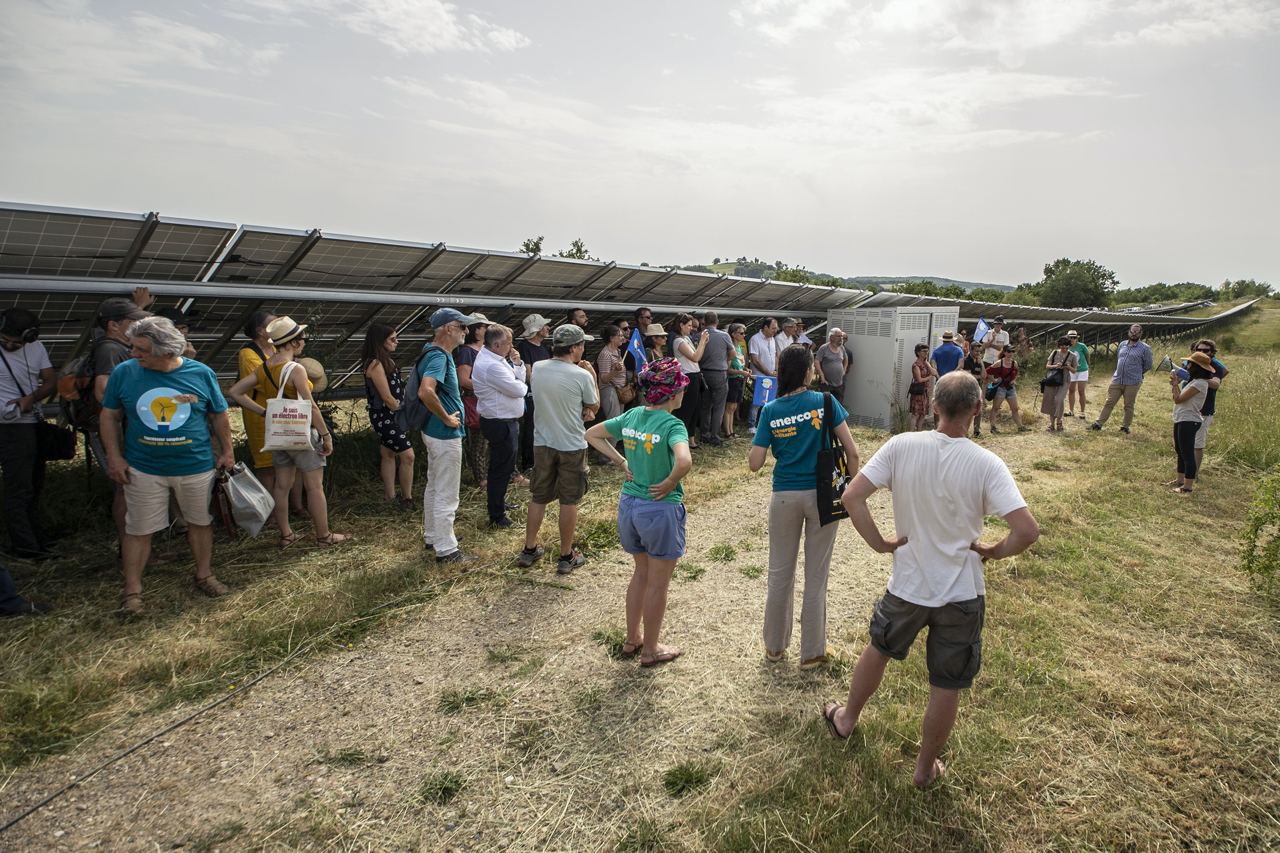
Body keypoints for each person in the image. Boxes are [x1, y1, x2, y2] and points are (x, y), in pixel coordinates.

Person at [822, 371, 1039, 788]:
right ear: (977, 409)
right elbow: (1027, 530)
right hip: (962, 593)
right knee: (946, 684)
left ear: (934, 406)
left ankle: (847, 719)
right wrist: (995, 550)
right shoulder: (986, 463)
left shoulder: (902, 445)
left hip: (908, 584)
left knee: (878, 649)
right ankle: (924, 770)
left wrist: (881, 544)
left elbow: (852, 497)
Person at [100, 316, 236, 615]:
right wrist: (114, 456)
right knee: (138, 529)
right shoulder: (125, 373)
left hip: (195, 465)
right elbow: (109, 415)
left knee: (200, 522)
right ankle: (132, 591)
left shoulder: (200, 374)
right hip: (144, 468)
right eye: (133, 347)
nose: (134, 354)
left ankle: (204, 574)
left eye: (142, 350)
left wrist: (227, 451)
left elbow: (218, 414)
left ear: (166, 352)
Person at [750, 345, 860, 669]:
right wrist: (852, 490)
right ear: (808, 371)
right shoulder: (826, 401)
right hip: (824, 494)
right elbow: (852, 452)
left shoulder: (770, 409)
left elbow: (755, 463)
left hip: (783, 496)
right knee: (817, 575)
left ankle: (774, 648)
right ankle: (812, 653)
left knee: (779, 574)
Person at [585, 357, 693, 667]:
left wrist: (622, 462)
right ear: (673, 393)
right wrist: (671, 481)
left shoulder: (632, 415)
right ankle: (652, 648)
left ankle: (633, 638)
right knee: (658, 583)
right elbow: (684, 461)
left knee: (640, 574)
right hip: (659, 509)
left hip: (629, 505)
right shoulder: (673, 424)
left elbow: (591, 434)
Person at [229, 317, 351, 549]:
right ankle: (324, 536)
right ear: (294, 342)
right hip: (301, 432)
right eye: (302, 338)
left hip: (278, 434)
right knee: (314, 486)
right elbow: (311, 406)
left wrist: (264, 412)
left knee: (281, 485)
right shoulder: (295, 369)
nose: (304, 342)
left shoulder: (264, 368)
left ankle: (286, 534)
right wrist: (325, 435)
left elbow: (235, 392)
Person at [517, 324, 599, 574]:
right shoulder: (581, 374)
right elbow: (593, 405)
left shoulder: (539, 368)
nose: (583, 348)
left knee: (538, 496)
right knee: (569, 500)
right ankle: (566, 555)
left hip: (542, 442)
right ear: (574, 348)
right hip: (572, 444)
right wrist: (591, 373)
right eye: (582, 345)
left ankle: (529, 549)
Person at [414, 308, 478, 564]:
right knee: (447, 492)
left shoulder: (435, 353)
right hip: (443, 433)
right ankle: (447, 549)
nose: (466, 331)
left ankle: (434, 535)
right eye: (462, 327)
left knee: (434, 485)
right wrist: (446, 418)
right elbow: (425, 391)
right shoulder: (439, 357)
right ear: (448, 329)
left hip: (434, 432)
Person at [85, 297, 150, 548]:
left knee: (131, 489)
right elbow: (103, 392)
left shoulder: (120, 346)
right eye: (134, 321)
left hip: (124, 427)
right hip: (115, 430)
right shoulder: (110, 349)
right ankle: (128, 548)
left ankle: (135, 547)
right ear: (113, 325)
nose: (140, 324)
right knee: (126, 488)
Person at [0, 307, 57, 560]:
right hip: (7, 427)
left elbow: (50, 381)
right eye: (4, 341)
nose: (9, 346)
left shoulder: (37, 348)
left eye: (16, 342)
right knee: (19, 488)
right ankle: (25, 547)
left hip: (28, 423)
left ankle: (36, 538)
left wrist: (29, 399)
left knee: (33, 484)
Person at [473, 324, 527, 528]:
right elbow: (518, 389)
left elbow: (517, 381)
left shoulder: (495, 359)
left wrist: (518, 364)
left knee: (503, 468)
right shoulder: (492, 365)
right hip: (500, 422)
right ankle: (497, 515)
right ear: (496, 345)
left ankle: (499, 503)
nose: (511, 347)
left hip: (505, 420)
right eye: (508, 343)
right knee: (500, 469)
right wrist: (520, 382)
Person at [361, 323, 414, 509]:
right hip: (385, 416)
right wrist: (404, 408)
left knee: (388, 453)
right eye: (392, 339)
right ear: (380, 341)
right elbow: (387, 397)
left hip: (391, 415)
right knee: (408, 455)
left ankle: (390, 497)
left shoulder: (387, 362)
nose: (396, 342)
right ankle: (407, 499)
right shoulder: (375, 364)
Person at [1167, 351, 1216, 495]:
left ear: (1196, 367)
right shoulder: (1194, 381)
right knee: (1180, 451)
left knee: (1187, 453)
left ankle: (1187, 487)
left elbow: (1178, 399)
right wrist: (1175, 385)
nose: (1186, 366)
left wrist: (1175, 384)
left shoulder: (1200, 383)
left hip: (1189, 420)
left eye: (1189, 363)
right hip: (1182, 418)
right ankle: (1180, 480)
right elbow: (1178, 398)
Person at [1090, 324, 1153, 434]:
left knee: (1128, 405)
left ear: (1140, 333)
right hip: (1117, 379)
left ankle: (1125, 427)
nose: (1134, 334)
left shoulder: (1145, 348)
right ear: (1129, 332)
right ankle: (1098, 424)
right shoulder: (1122, 344)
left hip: (1133, 382)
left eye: (1137, 332)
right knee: (1109, 402)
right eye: (1132, 332)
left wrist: (1137, 373)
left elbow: (1148, 365)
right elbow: (1119, 358)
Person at [454, 313, 491, 487]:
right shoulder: (467, 352)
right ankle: (481, 478)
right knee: (479, 443)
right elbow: (464, 380)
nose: (488, 329)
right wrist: (489, 387)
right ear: (476, 330)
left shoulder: (487, 351)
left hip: (489, 401)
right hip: (477, 401)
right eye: (484, 326)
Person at [516, 314, 553, 474]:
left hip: (545, 393)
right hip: (533, 394)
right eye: (544, 326)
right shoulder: (525, 347)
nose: (548, 328)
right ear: (537, 330)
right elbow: (528, 374)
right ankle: (529, 463)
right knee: (531, 427)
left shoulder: (544, 348)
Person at [1189, 339, 1228, 476]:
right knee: (1186, 443)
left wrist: (1201, 377)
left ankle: (1193, 474)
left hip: (1204, 411)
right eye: (1199, 350)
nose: (1202, 352)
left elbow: (1216, 384)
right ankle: (1186, 473)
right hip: (1190, 408)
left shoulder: (1215, 365)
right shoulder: (1192, 362)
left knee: (1197, 444)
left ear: (1212, 353)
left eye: (1206, 350)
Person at [671, 313, 708, 449]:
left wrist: (702, 344)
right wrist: (702, 341)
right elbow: (695, 357)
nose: (691, 328)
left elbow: (698, 356)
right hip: (688, 376)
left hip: (696, 374)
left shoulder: (686, 338)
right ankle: (681, 441)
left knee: (695, 409)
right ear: (681, 325)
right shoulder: (678, 341)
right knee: (687, 409)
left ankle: (691, 439)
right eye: (689, 325)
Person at [698, 311, 734, 448]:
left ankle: (704, 434)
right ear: (717, 322)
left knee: (705, 405)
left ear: (704, 322)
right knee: (719, 406)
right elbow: (732, 353)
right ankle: (715, 436)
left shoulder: (699, 336)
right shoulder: (724, 336)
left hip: (703, 373)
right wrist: (723, 360)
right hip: (719, 373)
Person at [747, 317, 781, 432]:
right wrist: (768, 372)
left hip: (771, 375)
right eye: (773, 328)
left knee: (769, 400)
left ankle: (763, 423)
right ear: (765, 327)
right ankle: (751, 425)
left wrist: (775, 370)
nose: (775, 331)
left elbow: (775, 356)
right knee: (757, 400)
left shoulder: (772, 339)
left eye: (776, 329)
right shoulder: (755, 339)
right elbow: (755, 359)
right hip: (760, 376)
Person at [1040, 337, 1079, 432]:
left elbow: (1074, 371)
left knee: (1059, 399)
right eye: (1062, 348)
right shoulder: (1054, 353)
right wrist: (1055, 366)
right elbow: (1047, 366)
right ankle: (1052, 424)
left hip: (1065, 380)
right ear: (1059, 346)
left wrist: (1068, 366)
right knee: (1051, 400)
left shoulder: (1072, 355)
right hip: (1052, 380)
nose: (1064, 350)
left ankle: (1059, 421)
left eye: (1066, 348)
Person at [986, 344, 1027, 433]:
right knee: (996, 408)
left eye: (1012, 351)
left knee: (1015, 409)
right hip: (1000, 388)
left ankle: (1020, 426)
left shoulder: (1014, 363)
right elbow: (987, 371)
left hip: (1010, 388)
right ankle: (993, 427)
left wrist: (1014, 380)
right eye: (1008, 351)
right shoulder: (999, 363)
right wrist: (994, 380)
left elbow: (1017, 371)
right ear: (1004, 352)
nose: (1010, 353)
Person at [595, 324, 628, 421]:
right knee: (614, 420)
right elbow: (604, 379)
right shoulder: (606, 354)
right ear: (612, 338)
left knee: (618, 420)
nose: (623, 338)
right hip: (610, 390)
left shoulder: (617, 351)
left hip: (618, 390)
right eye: (620, 336)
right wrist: (615, 371)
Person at [724, 323, 751, 439]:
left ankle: (731, 431)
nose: (743, 335)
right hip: (732, 380)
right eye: (741, 333)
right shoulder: (731, 348)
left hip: (739, 379)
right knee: (729, 407)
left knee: (734, 407)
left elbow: (739, 365)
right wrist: (741, 372)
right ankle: (728, 432)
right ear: (733, 334)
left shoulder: (739, 347)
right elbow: (727, 369)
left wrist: (745, 369)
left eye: (744, 333)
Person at [908, 343, 936, 432]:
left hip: (924, 392)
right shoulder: (915, 365)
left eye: (927, 351)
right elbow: (919, 379)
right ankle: (911, 434)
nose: (926, 353)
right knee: (915, 414)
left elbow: (933, 372)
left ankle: (919, 432)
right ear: (918, 352)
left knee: (923, 414)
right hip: (918, 392)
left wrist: (927, 363)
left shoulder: (925, 363)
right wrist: (929, 377)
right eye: (924, 351)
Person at [961, 344, 987, 437]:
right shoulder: (966, 360)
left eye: (979, 351)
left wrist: (982, 364)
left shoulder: (979, 361)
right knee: (968, 410)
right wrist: (978, 376)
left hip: (977, 387)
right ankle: (965, 432)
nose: (978, 353)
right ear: (971, 350)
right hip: (968, 387)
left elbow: (984, 376)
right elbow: (969, 376)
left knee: (979, 409)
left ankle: (977, 431)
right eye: (976, 351)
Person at [816, 328, 849, 396]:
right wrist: (822, 376)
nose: (841, 338)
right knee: (826, 403)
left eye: (841, 336)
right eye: (838, 336)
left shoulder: (842, 347)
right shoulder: (824, 348)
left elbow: (846, 358)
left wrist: (844, 370)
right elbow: (816, 361)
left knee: (837, 403)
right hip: (827, 384)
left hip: (839, 384)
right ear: (831, 337)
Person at [1065, 330, 1090, 419]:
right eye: (1070, 337)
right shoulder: (1066, 347)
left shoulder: (1082, 346)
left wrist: (1088, 365)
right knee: (1071, 390)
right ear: (1067, 338)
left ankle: (1082, 412)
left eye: (1074, 337)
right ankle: (1071, 411)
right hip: (1072, 371)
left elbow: (1087, 355)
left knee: (1081, 390)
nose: (1072, 339)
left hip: (1082, 370)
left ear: (1077, 338)